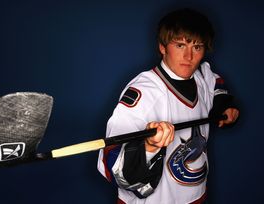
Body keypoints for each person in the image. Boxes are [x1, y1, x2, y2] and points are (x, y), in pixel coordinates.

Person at [97, 8, 239, 204]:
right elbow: (112, 165)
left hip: (197, 196)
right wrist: (149, 147)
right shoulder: (144, 92)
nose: (189, 56)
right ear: (163, 47)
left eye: (197, 47)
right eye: (180, 45)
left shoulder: (201, 76)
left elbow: (216, 83)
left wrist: (223, 106)